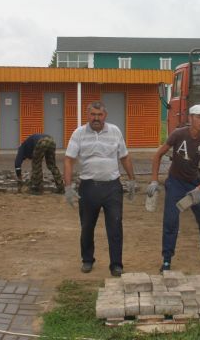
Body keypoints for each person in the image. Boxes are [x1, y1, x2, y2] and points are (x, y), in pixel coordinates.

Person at [63, 101, 136, 277]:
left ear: (105, 115)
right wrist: (67, 186)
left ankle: (116, 265)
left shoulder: (115, 131)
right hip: (88, 187)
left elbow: (124, 157)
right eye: (93, 115)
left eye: (100, 115)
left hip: (112, 187)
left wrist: (132, 180)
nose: (96, 118)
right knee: (87, 226)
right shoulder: (79, 133)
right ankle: (87, 260)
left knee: (115, 227)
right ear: (88, 115)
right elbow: (68, 159)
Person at [147, 104, 200, 272]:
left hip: (195, 183)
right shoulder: (178, 134)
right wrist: (153, 181)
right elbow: (158, 154)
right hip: (175, 182)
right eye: (198, 117)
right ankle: (167, 260)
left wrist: (199, 189)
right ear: (190, 118)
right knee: (171, 220)